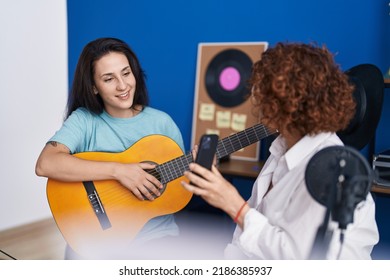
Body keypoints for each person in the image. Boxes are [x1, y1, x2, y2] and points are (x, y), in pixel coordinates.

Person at [181, 42, 379, 259]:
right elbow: (265, 221)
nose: (255, 98)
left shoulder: (329, 171)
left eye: (262, 90)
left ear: (286, 104)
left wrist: (235, 206)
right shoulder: (283, 147)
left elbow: (298, 259)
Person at [35, 37, 185, 259]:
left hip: (156, 239)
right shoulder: (84, 120)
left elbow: (181, 186)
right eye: (109, 78)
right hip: (97, 239)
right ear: (94, 87)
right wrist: (120, 171)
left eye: (126, 73)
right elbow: (45, 164)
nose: (123, 86)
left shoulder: (162, 123)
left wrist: (202, 168)